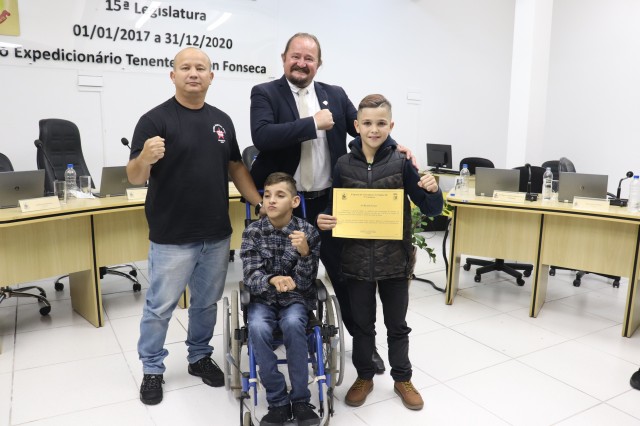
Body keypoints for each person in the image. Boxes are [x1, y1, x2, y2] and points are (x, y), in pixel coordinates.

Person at [249, 32, 421, 374]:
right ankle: (282, 332)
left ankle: (364, 347)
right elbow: (262, 136)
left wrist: (397, 147)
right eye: (296, 56)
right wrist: (311, 124)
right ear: (284, 58)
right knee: (282, 269)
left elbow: (366, 129)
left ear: (318, 63)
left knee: (344, 276)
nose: (302, 63)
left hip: (330, 203)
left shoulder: (335, 95)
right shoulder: (265, 92)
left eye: (309, 58)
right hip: (286, 208)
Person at [127, 47, 265, 406]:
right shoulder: (154, 120)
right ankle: (152, 369)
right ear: (172, 75)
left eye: (200, 68)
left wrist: (258, 201)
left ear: (211, 76)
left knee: (205, 304)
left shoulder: (222, 121)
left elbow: (236, 166)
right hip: (172, 235)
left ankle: (199, 356)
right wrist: (144, 157)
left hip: (216, 233)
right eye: (185, 67)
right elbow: (135, 176)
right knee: (160, 307)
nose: (193, 73)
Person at [317, 94, 443, 410]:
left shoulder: (401, 162)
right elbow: (335, 208)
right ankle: (365, 376)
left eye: (381, 123)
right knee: (362, 326)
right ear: (357, 126)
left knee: (397, 326)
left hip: (395, 261)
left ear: (391, 126)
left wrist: (433, 191)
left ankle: (402, 378)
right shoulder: (343, 164)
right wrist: (325, 219)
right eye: (368, 123)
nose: (374, 129)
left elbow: (430, 208)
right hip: (356, 261)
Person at [240, 172, 321, 426]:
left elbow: (306, 283)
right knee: (257, 327)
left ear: (295, 201)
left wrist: (305, 253)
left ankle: (300, 400)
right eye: (267, 195)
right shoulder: (253, 232)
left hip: (295, 298)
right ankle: (277, 401)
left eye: (280, 195)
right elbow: (251, 274)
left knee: (294, 323)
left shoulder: (307, 232)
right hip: (262, 298)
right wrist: (272, 279)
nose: (271, 200)